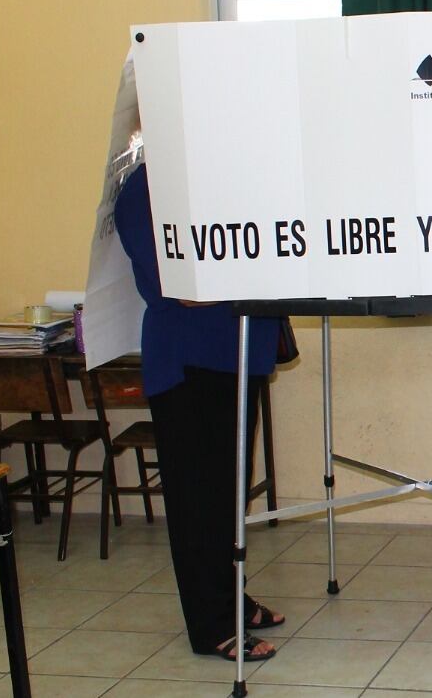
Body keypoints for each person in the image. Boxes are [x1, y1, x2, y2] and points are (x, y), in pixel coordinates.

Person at [114, 164, 288, 662]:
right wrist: (264, 270)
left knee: (228, 496)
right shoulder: (146, 188)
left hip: (237, 356)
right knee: (198, 503)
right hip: (189, 364)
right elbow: (179, 286)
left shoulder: (221, 176)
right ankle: (211, 625)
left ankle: (233, 601)